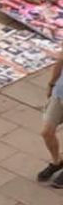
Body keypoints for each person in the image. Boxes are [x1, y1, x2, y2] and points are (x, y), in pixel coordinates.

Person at [37, 48, 63, 186]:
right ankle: (57, 161)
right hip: (60, 94)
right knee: (47, 132)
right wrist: (52, 83)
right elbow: (61, 60)